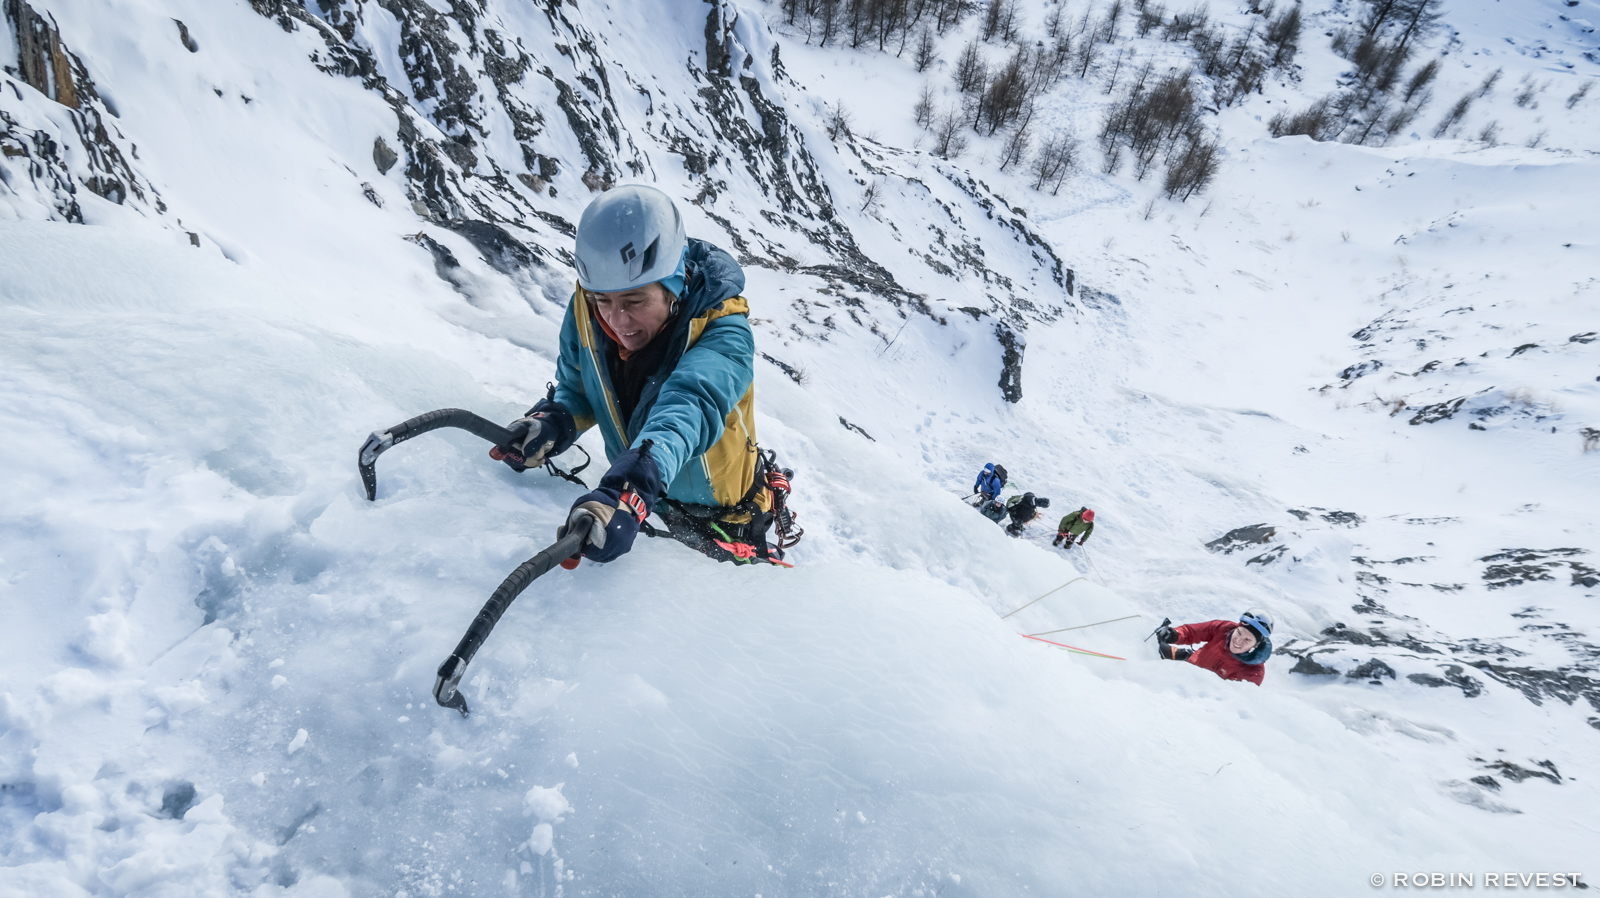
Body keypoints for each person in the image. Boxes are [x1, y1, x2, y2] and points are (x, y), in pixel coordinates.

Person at [491, 184, 796, 566]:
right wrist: (554, 422)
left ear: (675, 285)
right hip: (643, 505)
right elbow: (582, 387)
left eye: (635, 301)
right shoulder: (587, 309)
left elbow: (688, 408)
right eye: (603, 301)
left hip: (722, 525)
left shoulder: (724, 333)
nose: (617, 320)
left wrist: (631, 488)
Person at [1155, 609, 1273, 685]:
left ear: (1256, 645)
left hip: (1196, 690)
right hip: (1191, 661)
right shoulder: (1224, 628)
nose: (1238, 641)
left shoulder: (1253, 673)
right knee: (1153, 647)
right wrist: (1173, 635)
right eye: (1239, 633)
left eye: (1247, 640)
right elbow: (1193, 632)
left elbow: (1229, 699)